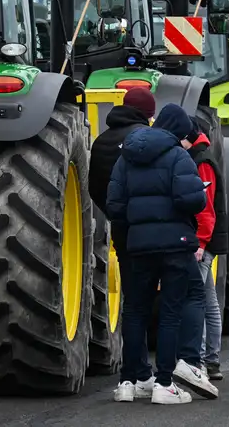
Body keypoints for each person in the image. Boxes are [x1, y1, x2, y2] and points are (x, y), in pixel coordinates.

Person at [107, 103, 211, 404]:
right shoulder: (178, 156)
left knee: (135, 310)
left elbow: (114, 205)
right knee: (169, 313)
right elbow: (192, 200)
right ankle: (164, 384)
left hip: (138, 245)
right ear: (178, 132)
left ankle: (128, 381)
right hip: (175, 245)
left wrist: (139, 220)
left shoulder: (126, 157)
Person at [89, 87, 154, 399]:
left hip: (122, 231)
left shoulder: (101, 141)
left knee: (133, 304)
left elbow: (94, 188)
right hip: (151, 232)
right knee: (163, 304)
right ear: (146, 113)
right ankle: (157, 375)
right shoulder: (147, 140)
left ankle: (133, 374)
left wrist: (116, 214)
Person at [181, 117, 228, 381]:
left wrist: (199, 243)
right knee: (208, 300)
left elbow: (206, 209)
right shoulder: (203, 157)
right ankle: (212, 360)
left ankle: (197, 361)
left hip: (201, 243)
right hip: (206, 242)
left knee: (195, 301)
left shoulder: (201, 161)